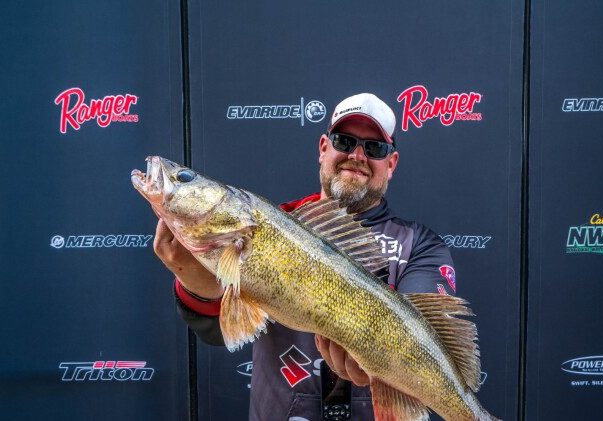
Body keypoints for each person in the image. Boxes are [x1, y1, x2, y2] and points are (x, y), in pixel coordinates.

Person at [153, 93, 457, 420]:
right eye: (344, 141)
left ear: (391, 163)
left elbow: (426, 338)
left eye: (375, 148)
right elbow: (218, 330)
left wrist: (378, 354)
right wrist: (193, 278)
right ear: (324, 148)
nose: (357, 155)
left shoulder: (420, 245)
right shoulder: (274, 225)